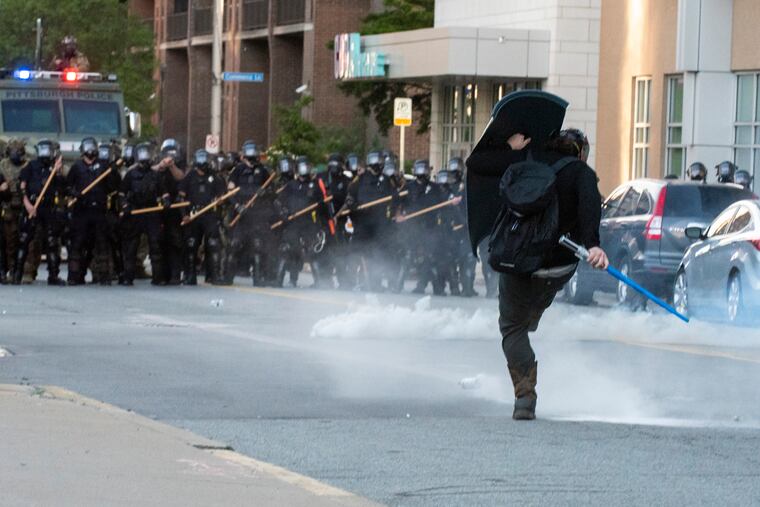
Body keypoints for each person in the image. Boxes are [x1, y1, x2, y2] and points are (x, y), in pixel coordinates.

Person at [466, 128, 609, 420]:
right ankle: (530, 315)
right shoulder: (581, 173)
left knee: (513, 328)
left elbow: (475, 164)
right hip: (558, 266)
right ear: (581, 152)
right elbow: (591, 207)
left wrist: (512, 149)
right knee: (533, 304)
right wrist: (593, 245)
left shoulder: (524, 161)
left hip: (515, 261)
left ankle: (524, 397)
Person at [66, 139, 120, 285]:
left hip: (99, 211)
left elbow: (112, 187)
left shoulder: (104, 167)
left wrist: (113, 173)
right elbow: (67, 186)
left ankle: (103, 276)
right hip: (81, 211)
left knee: (102, 243)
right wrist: (74, 192)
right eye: (87, 148)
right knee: (78, 243)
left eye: (92, 148)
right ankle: (75, 275)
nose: (90, 151)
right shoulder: (77, 167)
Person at [344, 151, 398, 291]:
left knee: (377, 253)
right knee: (356, 252)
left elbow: (395, 199)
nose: (377, 164)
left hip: (379, 223)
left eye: (379, 161)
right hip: (363, 222)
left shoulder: (386, 180)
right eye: (374, 161)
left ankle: (375, 283)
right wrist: (352, 205)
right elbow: (351, 195)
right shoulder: (361, 179)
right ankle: (351, 281)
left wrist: (390, 215)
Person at [15, 140, 67, 285]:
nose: (45, 153)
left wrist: (57, 172)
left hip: (48, 208)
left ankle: (53, 275)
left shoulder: (54, 167)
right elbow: (22, 186)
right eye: (43, 150)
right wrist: (27, 204)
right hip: (32, 206)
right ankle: (17, 274)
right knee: (24, 239)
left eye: (48, 150)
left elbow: (62, 187)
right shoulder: (31, 166)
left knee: (51, 241)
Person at [395, 159, 448, 295]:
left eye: (424, 170)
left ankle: (431, 287)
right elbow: (396, 202)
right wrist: (399, 215)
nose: (422, 173)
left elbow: (444, 203)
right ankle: (397, 285)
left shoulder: (435, 188)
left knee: (429, 257)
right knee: (408, 255)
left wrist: (452, 201)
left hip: (430, 227)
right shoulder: (408, 187)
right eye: (419, 170)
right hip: (412, 226)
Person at [119, 143, 168, 286]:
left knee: (155, 245)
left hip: (151, 211)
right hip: (135, 212)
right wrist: (125, 206)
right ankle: (128, 276)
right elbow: (121, 193)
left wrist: (166, 201)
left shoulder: (155, 175)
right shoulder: (130, 175)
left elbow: (164, 192)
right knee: (132, 246)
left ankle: (158, 277)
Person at [225, 141, 273, 286]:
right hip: (241, 214)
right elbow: (230, 193)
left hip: (257, 214)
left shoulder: (263, 171)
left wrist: (265, 192)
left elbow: (273, 191)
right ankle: (227, 277)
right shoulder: (237, 171)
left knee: (258, 246)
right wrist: (238, 206)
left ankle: (258, 279)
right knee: (235, 244)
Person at [179, 149, 227, 285]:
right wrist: (184, 215)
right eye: (200, 159)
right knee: (191, 244)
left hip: (210, 214)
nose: (203, 162)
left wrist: (220, 200)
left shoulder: (215, 177)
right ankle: (190, 275)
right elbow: (181, 197)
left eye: (205, 159)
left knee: (213, 244)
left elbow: (222, 196)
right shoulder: (189, 177)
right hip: (193, 215)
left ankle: (213, 275)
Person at [273, 156, 322, 288]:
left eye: (307, 167)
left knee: (311, 250)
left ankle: (319, 282)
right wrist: (283, 213)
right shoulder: (291, 185)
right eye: (302, 167)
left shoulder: (314, 185)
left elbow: (321, 205)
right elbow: (278, 201)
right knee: (287, 249)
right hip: (292, 222)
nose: (305, 170)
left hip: (307, 223)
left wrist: (320, 225)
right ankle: (280, 280)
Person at [0, 139, 28, 282]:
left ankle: (22, 272)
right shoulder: (3, 166)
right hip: (8, 206)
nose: (15, 154)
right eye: (13, 151)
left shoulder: (28, 166)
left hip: (25, 206)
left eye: (18, 151)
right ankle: (9, 270)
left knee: (24, 240)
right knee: (8, 241)